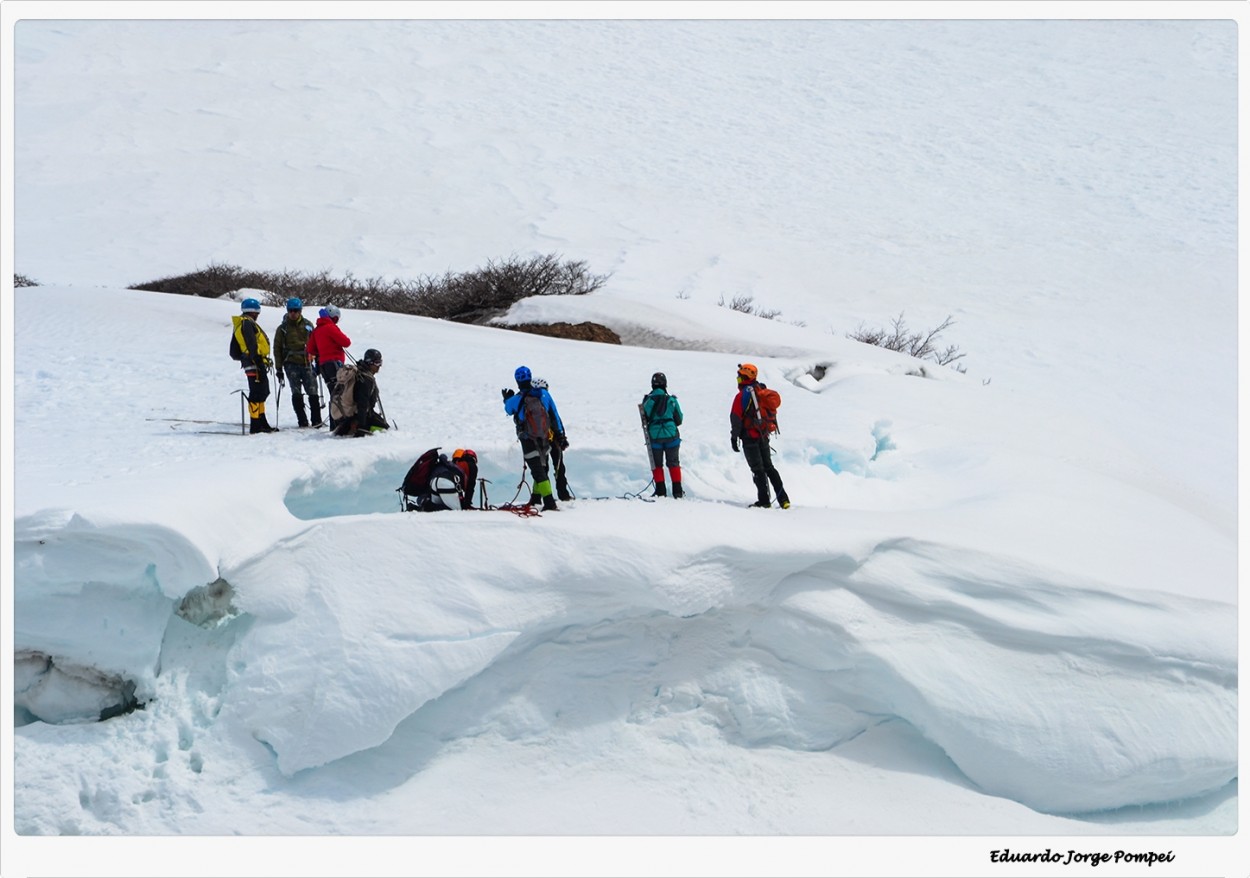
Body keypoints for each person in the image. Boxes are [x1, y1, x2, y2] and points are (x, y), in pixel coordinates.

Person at [502, 365, 566, 511]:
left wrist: (506, 398)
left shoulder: (517, 398)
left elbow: (508, 409)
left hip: (528, 439)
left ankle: (549, 502)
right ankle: (536, 498)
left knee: (537, 471)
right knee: (541, 468)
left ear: (517, 381)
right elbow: (554, 414)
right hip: (544, 437)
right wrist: (560, 435)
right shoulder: (543, 394)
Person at [730, 362, 790, 508]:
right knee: (769, 467)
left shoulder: (742, 396)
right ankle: (784, 500)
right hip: (763, 435)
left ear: (744, 377)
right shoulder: (761, 389)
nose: (738, 380)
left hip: (749, 437)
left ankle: (764, 502)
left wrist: (734, 437)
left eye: (739, 378)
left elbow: (736, 418)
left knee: (758, 470)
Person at [229, 298, 277, 434]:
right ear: (254, 312)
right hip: (254, 362)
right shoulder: (247, 324)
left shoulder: (242, 323)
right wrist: (256, 360)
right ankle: (256, 425)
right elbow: (252, 343)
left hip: (252, 361)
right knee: (257, 393)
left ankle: (262, 422)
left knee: (262, 392)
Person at [272, 297, 322, 428]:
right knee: (296, 392)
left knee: (313, 391)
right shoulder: (282, 329)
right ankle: (302, 420)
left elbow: (316, 343)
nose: (293, 313)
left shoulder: (308, 325)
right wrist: (278, 369)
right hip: (291, 364)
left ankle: (317, 420)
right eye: (290, 310)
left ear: (300, 311)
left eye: (295, 310)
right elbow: (277, 349)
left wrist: (318, 361)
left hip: (307, 363)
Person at [306, 304, 351, 429]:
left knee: (333, 393)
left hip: (323, 366)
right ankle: (338, 424)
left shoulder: (317, 330)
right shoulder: (330, 327)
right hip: (334, 364)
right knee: (339, 394)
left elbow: (310, 349)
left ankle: (334, 424)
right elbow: (346, 342)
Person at [641, 371, 684, 498]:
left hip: (654, 437)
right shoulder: (671, 400)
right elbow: (679, 419)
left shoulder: (648, 401)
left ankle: (660, 491)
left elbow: (645, 418)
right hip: (671, 436)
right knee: (673, 463)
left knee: (657, 465)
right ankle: (677, 491)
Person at [331, 348, 389, 437]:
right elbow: (362, 404)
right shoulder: (365, 380)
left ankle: (346, 427)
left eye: (380, 362)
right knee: (385, 429)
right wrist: (361, 426)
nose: (379, 366)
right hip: (358, 416)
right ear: (370, 363)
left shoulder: (361, 372)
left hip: (350, 415)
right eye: (377, 363)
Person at [532, 378, 573, 501]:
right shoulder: (546, 395)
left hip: (537, 439)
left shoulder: (528, 398)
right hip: (552, 437)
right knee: (559, 466)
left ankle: (538, 496)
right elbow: (554, 415)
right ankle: (563, 494)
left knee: (541, 468)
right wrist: (561, 436)